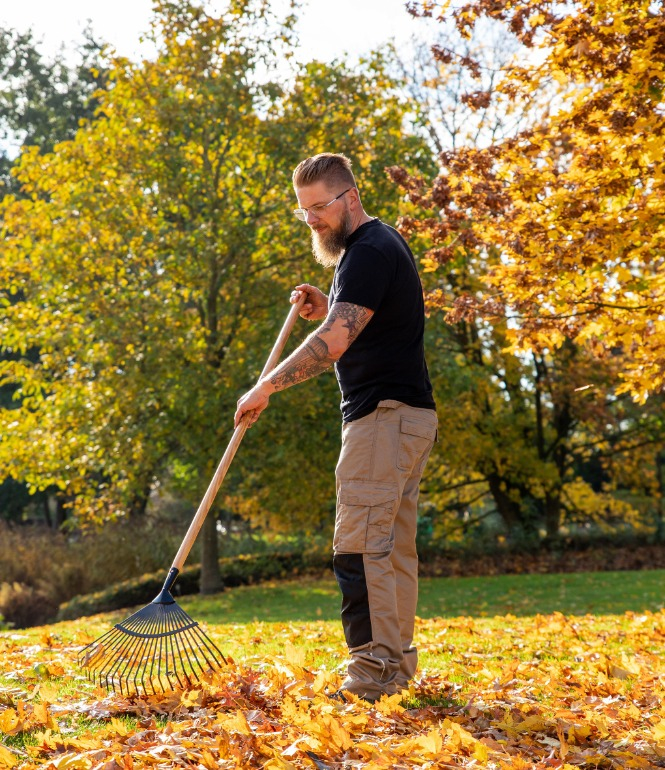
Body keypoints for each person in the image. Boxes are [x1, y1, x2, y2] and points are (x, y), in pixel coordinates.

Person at [234, 152, 437, 703]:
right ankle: (393, 670)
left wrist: (267, 386)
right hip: (409, 417)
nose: (313, 221)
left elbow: (336, 342)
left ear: (350, 196)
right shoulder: (376, 248)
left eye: (319, 207)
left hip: (384, 418)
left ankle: (371, 674)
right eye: (304, 212)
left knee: (358, 547)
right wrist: (329, 306)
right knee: (390, 549)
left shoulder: (368, 250)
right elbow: (359, 323)